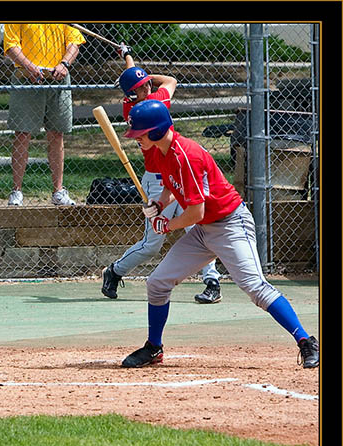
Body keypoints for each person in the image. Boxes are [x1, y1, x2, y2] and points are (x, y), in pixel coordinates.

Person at [119, 99, 319, 369]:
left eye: (139, 134)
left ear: (155, 132)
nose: (136, 140)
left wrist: (165, 225)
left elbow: (195, 214)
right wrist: (159, 205)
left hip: (230, 225)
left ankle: (306, 341)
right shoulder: (158, 151)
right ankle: (154, 347)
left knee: (256, 289)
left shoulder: (186, 155)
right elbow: (169, 185)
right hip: (204, 232)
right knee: (157, 283)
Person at [101, 45, 222, 304]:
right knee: (151, 245)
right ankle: (114, 271)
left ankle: (212, 281)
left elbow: (134, 82)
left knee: (198, 229)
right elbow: (171, 80)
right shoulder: (155, 104)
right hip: (158, 182)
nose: (146, 89)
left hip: (179, 173)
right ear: (131, 96)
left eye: (147, 85)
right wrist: (142, 72)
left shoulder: (131, 101)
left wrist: (129, 61)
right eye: (141, 88)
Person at [3, 24, 85, 206]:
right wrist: (29, 67)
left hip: (59, 78)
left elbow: (74, 41)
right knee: (22, 134)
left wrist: (64, 64)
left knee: (57, 134)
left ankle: (58, 191)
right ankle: (16, 191)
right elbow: (10, 46)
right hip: (26, 78)